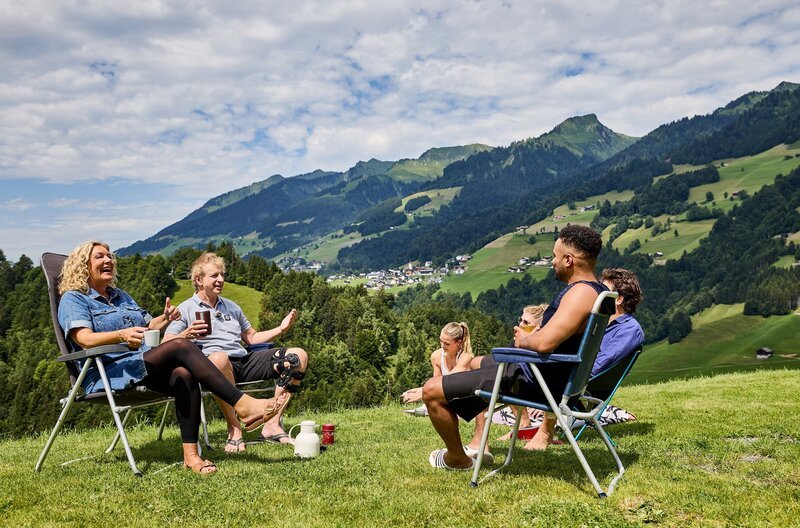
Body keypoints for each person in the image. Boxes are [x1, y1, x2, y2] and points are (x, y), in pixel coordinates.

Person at [57, 241, 288, 474]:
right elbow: (84, 338)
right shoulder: (74, 299)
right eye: (99, 257)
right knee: (180, 344)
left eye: (110, 256)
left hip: (138, 363)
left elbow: (148, 325)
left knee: (183, 374)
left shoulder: (121, 296)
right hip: (107, 371)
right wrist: (121, 335)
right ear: (83, 265)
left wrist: (165, 317)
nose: (108, 260)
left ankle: (191, 457)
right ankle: (243, 404)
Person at [422, 225, 607, 470]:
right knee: (478, 363)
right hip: (541, 373)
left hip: (534, 380)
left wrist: (523, 340)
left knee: (431, 391)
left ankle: (457, 458)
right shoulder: (599, 291)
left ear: (569, 260)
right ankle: (480, 442)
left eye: (555, 256)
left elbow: (544, 343)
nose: (552, 262)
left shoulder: (581, 292)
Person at [164, 252, 308, 452]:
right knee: (220, 358)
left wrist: (281, 329)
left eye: (222, 275)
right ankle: (234, 428)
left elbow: (251, 337)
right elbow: (166, 342)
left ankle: (273, 425)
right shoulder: (185, 308)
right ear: (199, 280)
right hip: (212, 367)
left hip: (243, 360)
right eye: (214, 275)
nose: (221, 280)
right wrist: (187, 334)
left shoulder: (231, 307)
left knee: (297, 356)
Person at [401, 322, 474, 407]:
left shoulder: (466, 357)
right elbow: (437, 383)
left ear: (458, 343)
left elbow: (451, 380)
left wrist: (424, 392)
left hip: (465, 400)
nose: (442, 345)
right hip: (448, 398)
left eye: (447, 343)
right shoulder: (436, 356)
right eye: (441, 341)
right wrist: (423, 390)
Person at [593, 268, 645, 376]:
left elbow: (600, 365)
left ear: (618, 299)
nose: (597, 295)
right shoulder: (599, 323)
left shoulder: (630, 329)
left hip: (578, 382)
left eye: (603, 291)